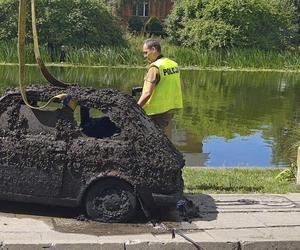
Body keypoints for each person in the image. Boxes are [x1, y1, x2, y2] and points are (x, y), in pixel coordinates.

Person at [138, 39, 183, 131]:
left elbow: (147, 93)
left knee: (150, 136)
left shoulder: (155, 67)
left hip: (155, 112)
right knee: (159, 135)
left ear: (154, 49)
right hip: (169, 109)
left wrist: (135, 108)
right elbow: (179, 85)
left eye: (146, 52)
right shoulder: (173, 64)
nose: (145, 56)